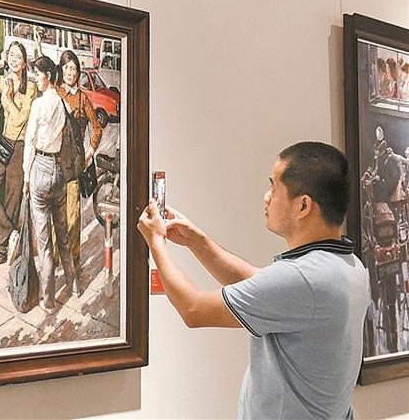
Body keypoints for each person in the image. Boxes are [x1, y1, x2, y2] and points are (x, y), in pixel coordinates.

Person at [137, 142, 369, 419]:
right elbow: (262, 286)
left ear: (303, 205)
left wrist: (156, 243)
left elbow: (194, 309)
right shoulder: (346, 266)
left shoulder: (304, 278)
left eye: (274, 187)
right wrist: (198, 242)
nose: (267, 197)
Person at [23, 56, 79, 314]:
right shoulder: (62, 103)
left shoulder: (39, 104)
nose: (35, 78)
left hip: (41, 169)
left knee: (45, 244)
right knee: (63, 236)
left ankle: (48, 300)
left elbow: (30, 143)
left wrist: (26, 177)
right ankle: (74, 285)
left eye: (38, 74)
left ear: (47, 75)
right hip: (58, 172)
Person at [0, 41, 38, 269]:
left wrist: (7, 98)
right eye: (11, 56)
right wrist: (0, 61)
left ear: (24, 62)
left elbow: (20, 119)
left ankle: (1, 249)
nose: (14, 60)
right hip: (4, 143)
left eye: (18, 57)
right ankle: (8, 234)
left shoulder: (30, 87)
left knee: (13, 197)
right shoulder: (4, 81)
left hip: (21, 145)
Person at [56, 50, 102, 267]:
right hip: (54, 161)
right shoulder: (55, 92)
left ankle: (73, 257)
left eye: (73, 68)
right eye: (66, 67)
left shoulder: (83, 98)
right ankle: (55, 257)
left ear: (78, 72)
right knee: (56, 212)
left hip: (75, 162)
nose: (70, 72)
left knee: (73, 214)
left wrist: (90, 151)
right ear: (61, 69)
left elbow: (97, 128)